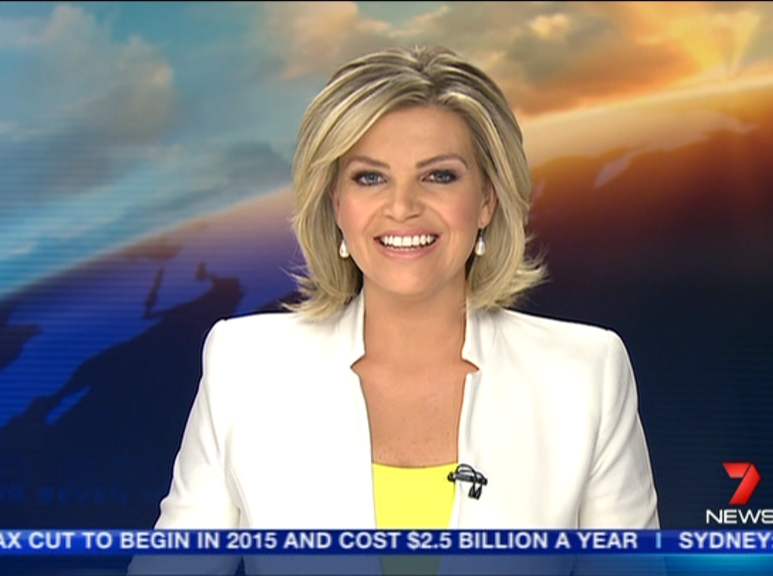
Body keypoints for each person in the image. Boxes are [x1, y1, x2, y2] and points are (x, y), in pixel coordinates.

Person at [130, 45, 659, 575]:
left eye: (439, 176)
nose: (403, 207)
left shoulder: (584, 374)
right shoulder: (245, 365)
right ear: (336, 203)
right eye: (370, 177)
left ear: (487, 200)